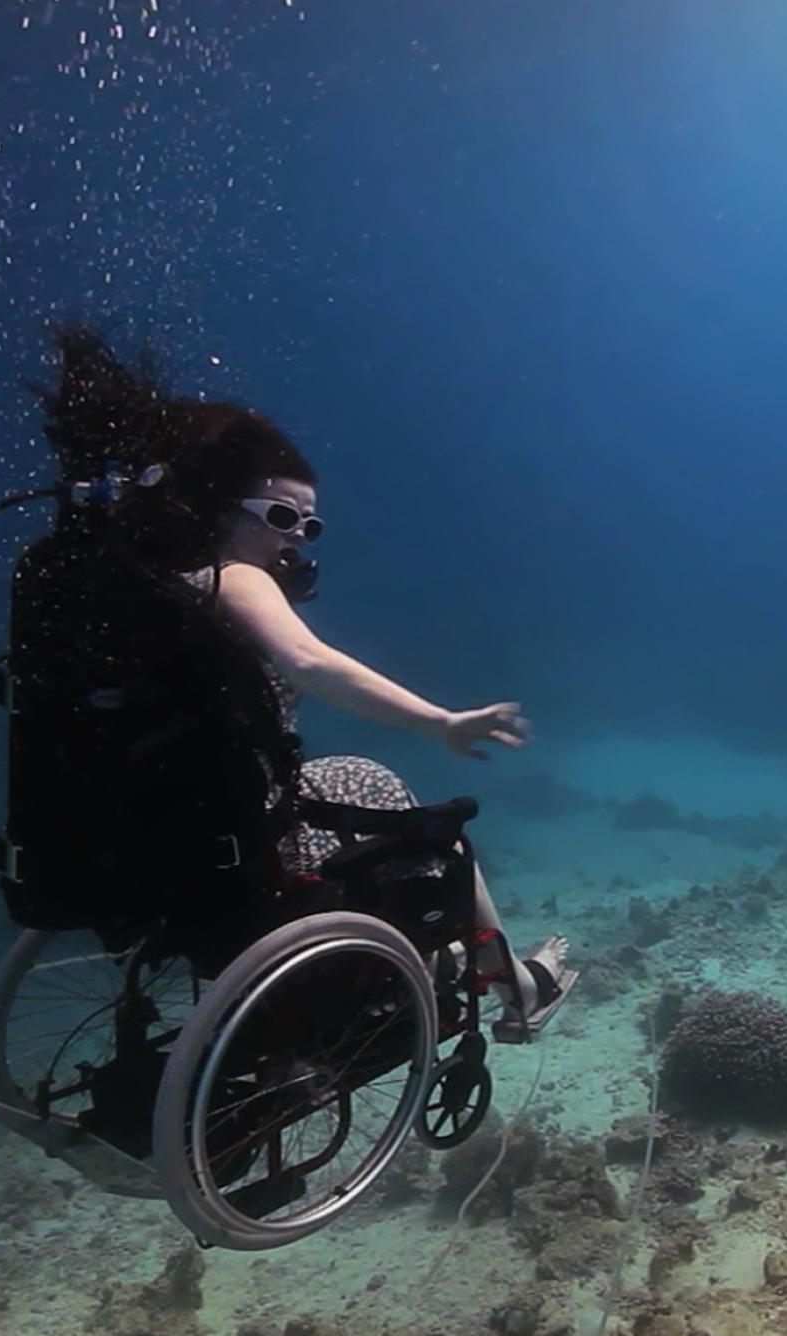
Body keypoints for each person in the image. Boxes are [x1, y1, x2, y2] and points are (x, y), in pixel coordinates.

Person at [33, 326, 578, 1041]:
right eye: (281, 517)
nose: (297, 537)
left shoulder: (138, 585)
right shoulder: (233, 578)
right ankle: (508, 984)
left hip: (148, 838)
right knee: (409, 809)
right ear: (213, 508)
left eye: (310, 525)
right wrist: (438, 722)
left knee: (345, 779)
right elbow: (312, 663)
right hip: (247, 840)